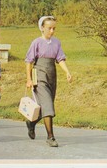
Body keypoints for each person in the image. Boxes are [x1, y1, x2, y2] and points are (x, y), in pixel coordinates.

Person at [25, 16, 72, 147]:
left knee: (46, 106)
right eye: (49, 28)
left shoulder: (56, 42)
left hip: (52, 74)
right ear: (42, 28)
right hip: (39, 75)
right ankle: (50, 137)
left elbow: (60, 59)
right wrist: (29, 79)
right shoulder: (36, 43)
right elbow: (29, 61)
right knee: (48, 106)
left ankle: (31, 123)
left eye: (54, 28)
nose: (52, 31)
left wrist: (67, 72)